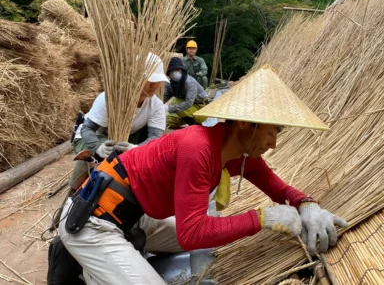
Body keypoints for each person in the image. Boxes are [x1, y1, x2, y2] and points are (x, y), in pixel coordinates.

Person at [58, 65, 348, 284]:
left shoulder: (239, 156)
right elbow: (192, 231)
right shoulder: (198, 147)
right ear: (246, 125)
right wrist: (262, 219)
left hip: (138, 216)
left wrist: (308, 205)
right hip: (95, 221)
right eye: (272, 132)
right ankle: (89, 263)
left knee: (208, 244)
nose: (274, 143)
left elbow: (279, 189)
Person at [68, 53, 168, 193]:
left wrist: (136, 149)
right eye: (151, 80)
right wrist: (98, 148)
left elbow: (155, 137)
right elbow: (87, 129)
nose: (155, 85)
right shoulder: (109, 99)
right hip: (91, 138)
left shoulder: (156, 105)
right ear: (136, 79)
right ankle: (74, 195)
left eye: (158, 81)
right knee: (98, 155)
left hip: (123, 139)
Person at [164, 57, 209, 128]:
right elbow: (165, 96)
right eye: (172, 71)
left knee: (175, 102)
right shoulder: (169, 84)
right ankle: (185, 119)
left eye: (177, 70)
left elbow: (188, 103)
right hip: (186, 111)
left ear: (182, 70)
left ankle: (195, 126)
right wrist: (159, 106)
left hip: (201, 109)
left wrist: (168, 108)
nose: (174, 73)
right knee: (167, 121)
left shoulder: (190, 82)